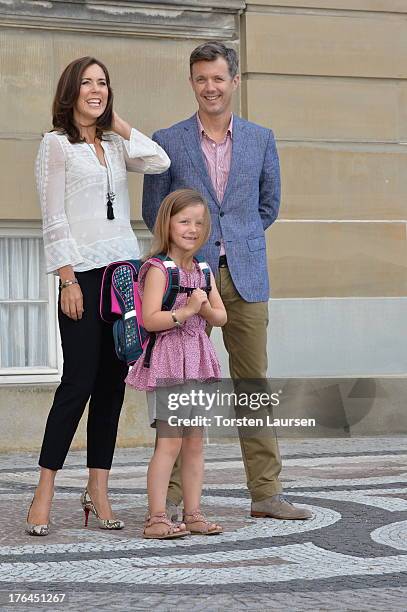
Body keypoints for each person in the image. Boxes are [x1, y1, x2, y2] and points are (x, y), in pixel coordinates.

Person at [142, 42, 312, 521]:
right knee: (183, 387)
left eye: (218, 78)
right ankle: (172, 497)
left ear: (234, 82)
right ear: (191, 82)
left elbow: (267, 206)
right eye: (201, 79)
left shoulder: (261, 138)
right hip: (185, 281)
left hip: (245, 275)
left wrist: (237, 240)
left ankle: (266, 493)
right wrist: (190, 252)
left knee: (252, 383)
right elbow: (154, 210)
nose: (210, 87)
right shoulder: (168, 140)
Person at [26, 56, 170, 536]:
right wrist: (66, 278)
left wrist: (117, 123)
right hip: (81, 276)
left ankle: (98, 489)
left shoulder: (113, 143)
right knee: (78, 384)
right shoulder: (55, 146)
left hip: (122, 272)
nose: (96, 89)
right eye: (87, 83)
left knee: (111, 385)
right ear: (70, 91)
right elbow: (54, 217)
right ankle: (44, 490)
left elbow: (159, 159)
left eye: (103, 83)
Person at [126, 188, 227, 539]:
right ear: (167, 224)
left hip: (196, 363)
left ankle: (193, 512)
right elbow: (150, 319)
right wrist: (185, 311)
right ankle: (156, 518)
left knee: (195, 441)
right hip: (168, 363)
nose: (192, 229)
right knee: (169, 442)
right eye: (184, 221)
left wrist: (202, 306)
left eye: (199, 223)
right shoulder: (157, 270)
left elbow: (221, 316)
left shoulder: (203, 269)